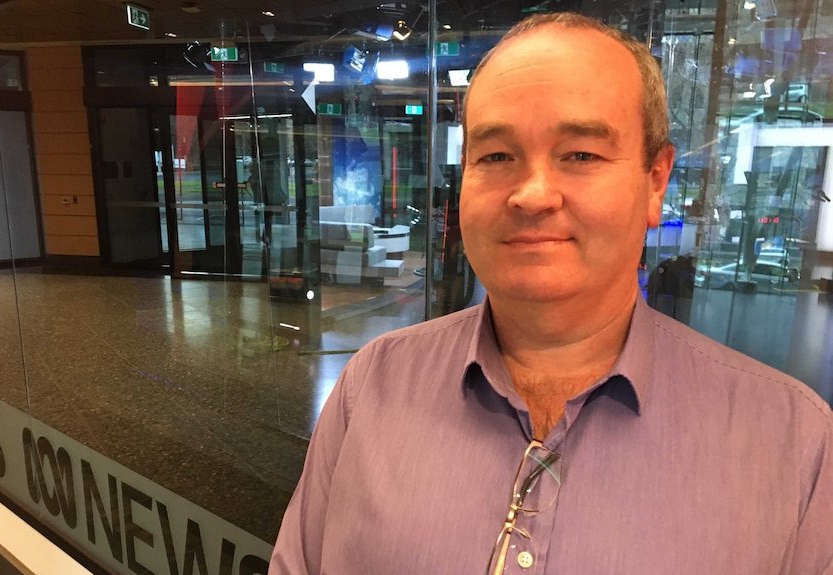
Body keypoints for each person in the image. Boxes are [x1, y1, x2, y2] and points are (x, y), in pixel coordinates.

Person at [269, 13, 833, 575]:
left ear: (656, 179)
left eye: (581, 154)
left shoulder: (791, 442)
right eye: (495, 157)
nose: (532, 195)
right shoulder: (372, 387)